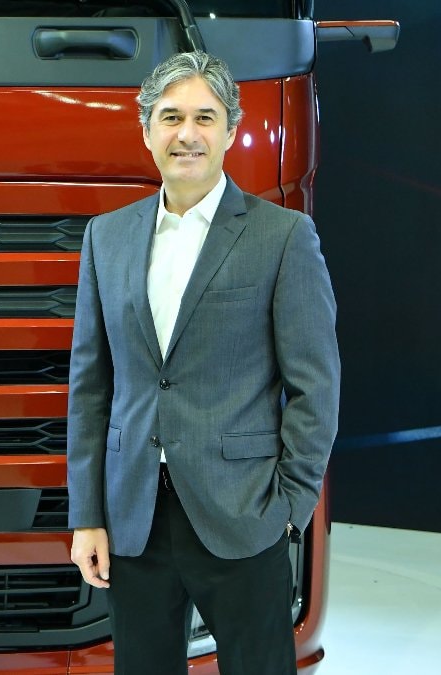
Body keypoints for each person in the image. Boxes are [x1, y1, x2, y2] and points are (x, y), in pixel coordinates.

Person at [66, 50, 340, 675]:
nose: (186, 133)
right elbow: (91, 388)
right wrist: (87, 516)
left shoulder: (282, 236)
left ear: (231, 130)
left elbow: (315, 386)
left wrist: (290, 507)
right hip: (133, 517)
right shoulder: (105, 237)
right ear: (146, 131)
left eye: (204, 117)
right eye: (170, 117)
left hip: (243, 512)